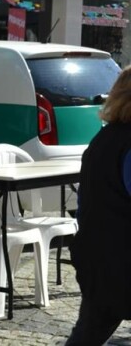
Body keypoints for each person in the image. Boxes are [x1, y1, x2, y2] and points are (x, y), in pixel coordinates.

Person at [66, 66, 131, 345]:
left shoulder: (103, 139)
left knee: (87, 335)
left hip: (97, 258)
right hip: (120, 262)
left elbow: (84, 205)